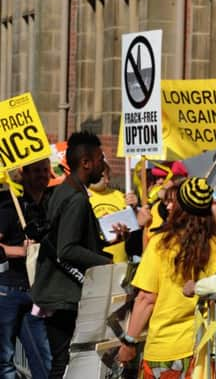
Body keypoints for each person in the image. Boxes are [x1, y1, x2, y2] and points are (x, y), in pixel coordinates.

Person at [117, 177, 216, 378]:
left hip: (165, 349)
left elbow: (146, 299)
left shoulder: (161, 244)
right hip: (204, 351)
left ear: (179, 207)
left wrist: (129, 342)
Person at [30, 131, 116, 379]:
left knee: (64, 361)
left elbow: (68, 238)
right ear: (86, 162)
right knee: (66, 363)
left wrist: (105, 243)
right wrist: (106, 262)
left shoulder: (65, 192)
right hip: (64, 295)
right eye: (100, 158)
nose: (103, 165)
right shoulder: (75, 198)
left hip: (57, 292)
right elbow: (67, 248)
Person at [0, 159, 53, 379]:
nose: (42, 175)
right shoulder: (8, 204)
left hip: (36, 293)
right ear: (24, 173)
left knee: (43, 358)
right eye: (36, 171)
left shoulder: (47, 205)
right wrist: (21, 252)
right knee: (5, 360)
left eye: (45, 170)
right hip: (8, 291)